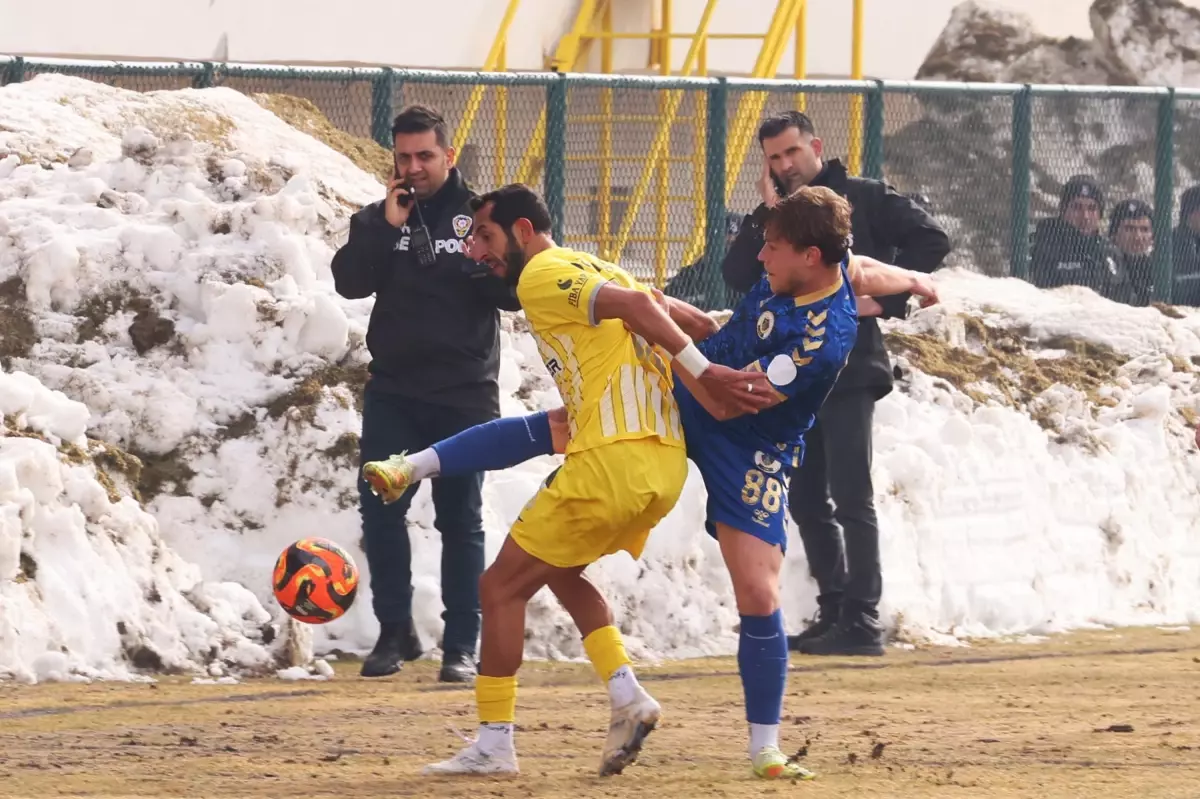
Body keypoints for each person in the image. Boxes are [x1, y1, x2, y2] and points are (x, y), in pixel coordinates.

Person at [363, 185, 940, 780]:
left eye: (772, 247)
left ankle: (764, 748)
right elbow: (864, 269)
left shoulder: (819, 344)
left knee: (757, 592)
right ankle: (415, 468)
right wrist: (916, 280)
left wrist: (669, 349)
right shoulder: (833, 264)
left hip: (747, 437)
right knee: (567, 427)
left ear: (810, 257)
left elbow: (726, 402)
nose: (760, 257)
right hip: (702, 378)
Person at [722, 111, 950, 657]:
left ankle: (863, 619)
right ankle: (835, 608)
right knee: (805, 498)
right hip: (795, 375)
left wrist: (883, 303)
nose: (785, 165)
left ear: (815, 146)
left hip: (850, 368)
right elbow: (736, 274)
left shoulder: (863, 196)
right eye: (774, 158)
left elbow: (931, 241)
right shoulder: (777, 215)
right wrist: (768, 211)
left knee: (851, 495)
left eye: (792, 152)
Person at [330, 104, 522, 683]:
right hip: (396, 390)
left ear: (449, 156)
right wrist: (386, 228)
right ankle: (394, 632)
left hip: (464, 393)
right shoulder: (379, 219)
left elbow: (515, 292)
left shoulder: (482, 217)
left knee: (459, 518)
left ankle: (461, 644)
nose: (414, 168)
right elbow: (349, 281)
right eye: (404, 157)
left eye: (425, 156)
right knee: (381, 508)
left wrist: (485, 264)